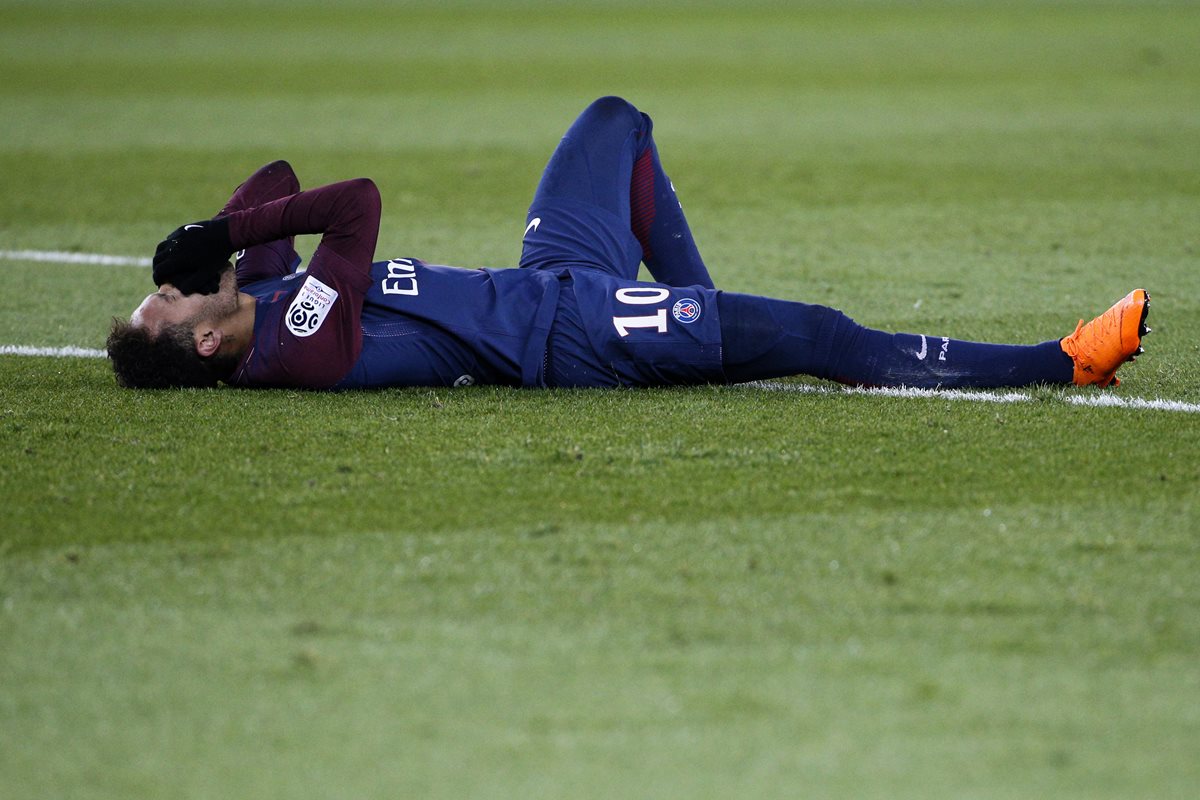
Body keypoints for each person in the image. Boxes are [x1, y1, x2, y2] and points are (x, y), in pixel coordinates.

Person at [107, 96, 1150, 392]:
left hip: (551, 282)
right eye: (165, 303)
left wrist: (210, 239)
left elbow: (276, 185)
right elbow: (352, 205)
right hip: (573, 335)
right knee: (820, 333)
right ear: (203, 345)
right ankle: (1065, 359)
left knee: (615, 123)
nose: (166, 288)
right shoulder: (293, 344)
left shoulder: (259, 300)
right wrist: (224, 237)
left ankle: (709, 321)